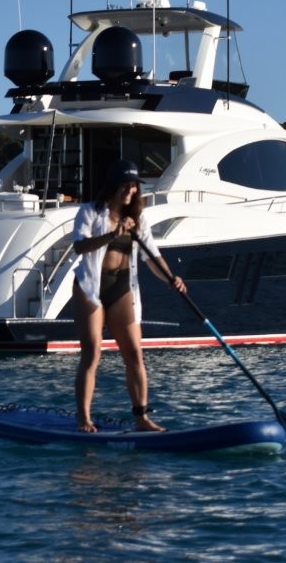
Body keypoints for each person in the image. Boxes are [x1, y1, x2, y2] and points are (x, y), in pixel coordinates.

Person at [71, 159, 186, 433]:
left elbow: (152, 256)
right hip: (91, 288)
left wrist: (171, 279)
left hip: (123, 288)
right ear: (113, 185)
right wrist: (112, 234)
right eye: (125, 185)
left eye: (133, 186)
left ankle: (141, 418)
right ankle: (84, 418)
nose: (130, 190)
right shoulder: (89, 211)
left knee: (135, 354)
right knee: (91, 353)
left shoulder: (138, 220)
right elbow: (79, 246)